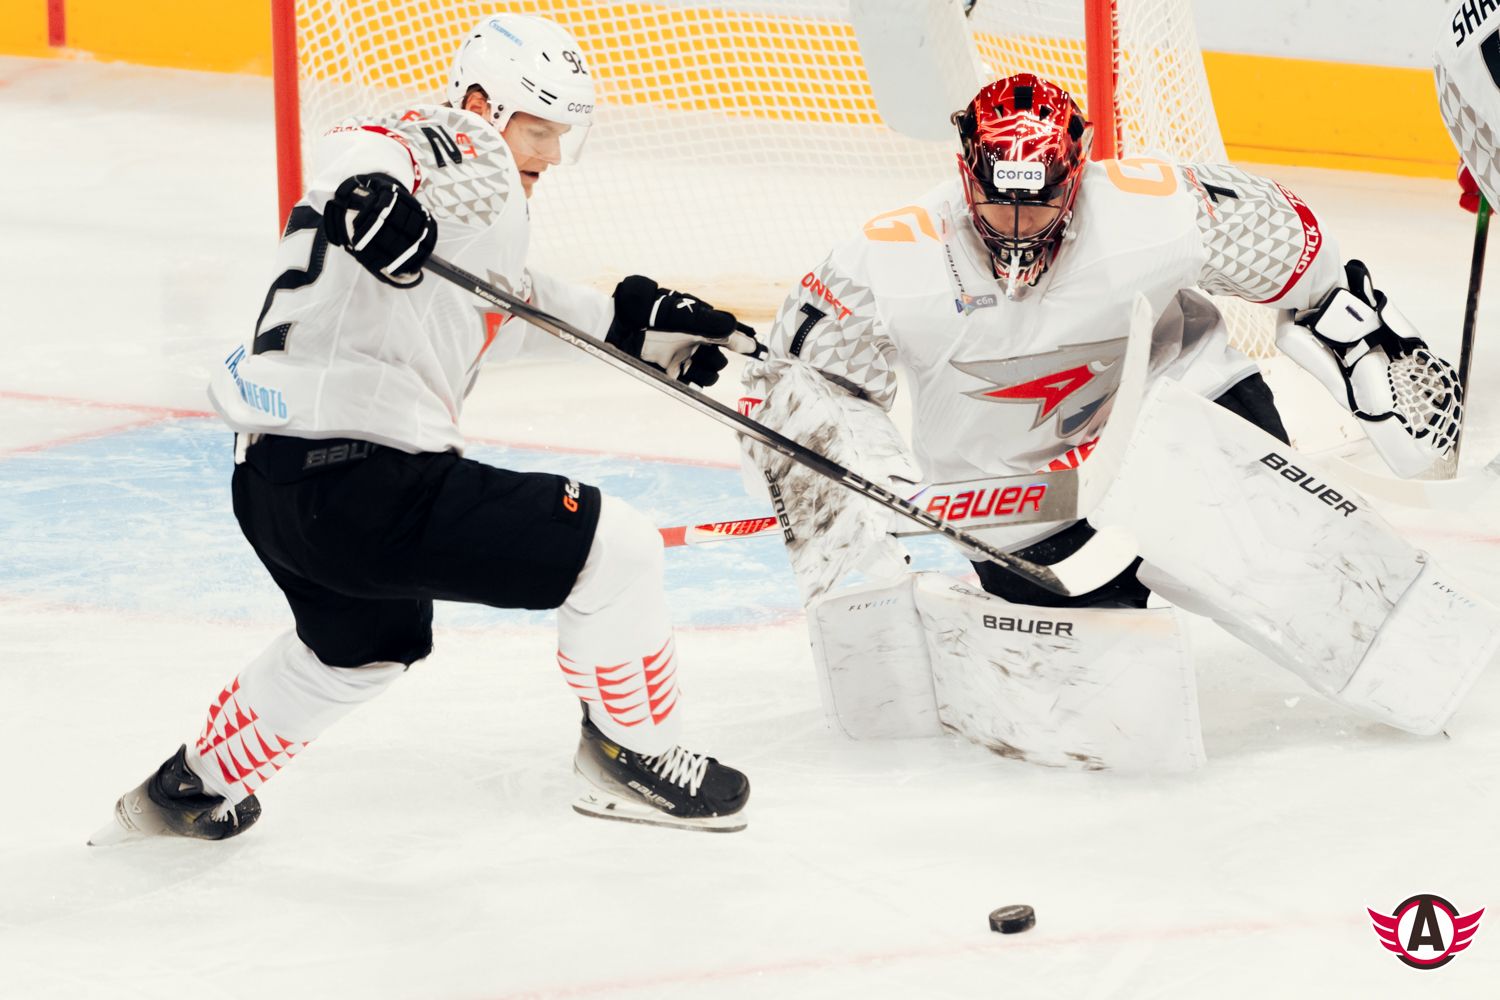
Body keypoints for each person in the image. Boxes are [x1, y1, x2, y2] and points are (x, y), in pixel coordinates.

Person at [92, 13, 760, 843]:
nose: (552, 155)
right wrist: (366, 194)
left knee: (362, 646)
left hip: (273, 483)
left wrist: (633, 326)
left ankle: (190, 788)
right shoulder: (453, 146)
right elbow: (370, 154)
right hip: (362, 480)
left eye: (563, 134)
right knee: (616, 550)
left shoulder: (451, 212)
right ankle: (634, 757)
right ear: (481, 105)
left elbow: (500, 305)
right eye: (540, 129)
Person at [739, 74, 1494, 771]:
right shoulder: (883, 259)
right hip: (1011, 494)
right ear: (967, 173)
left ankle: (1414, 646)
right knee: (1104, 704)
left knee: (1293, 569)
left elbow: (1297, 246)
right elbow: (802, 389)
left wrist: (1367, 344)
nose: (1017, 228)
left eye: (1038, 205)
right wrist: (856, 492)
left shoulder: (1153, 210)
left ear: (1077, 179)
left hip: (1180, 417)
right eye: (998, 204)